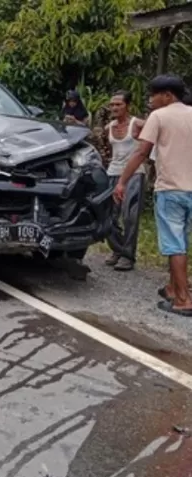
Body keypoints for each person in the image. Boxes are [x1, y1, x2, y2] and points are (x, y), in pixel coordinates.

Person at [113, 74, 192, 317]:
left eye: (154, 95)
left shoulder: (159, 116)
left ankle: (183, 300)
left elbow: (141, 152)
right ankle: (172, 287)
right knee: (182, 241)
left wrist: (122, 181)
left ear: (167, 95)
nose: (150, 100)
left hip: (171, 189)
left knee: (174, 245)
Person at [104, 90, 146, 271]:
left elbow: (151, 140)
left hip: (134, 173)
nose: (114, 108)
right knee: (108, 215)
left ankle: (128, 256)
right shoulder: (109, 127)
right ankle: (118, 249)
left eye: (118, 104)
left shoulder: (137, 124)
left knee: (130, 216)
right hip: (113, 172)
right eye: (112, 104)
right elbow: (109, 151)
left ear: (127, 105)